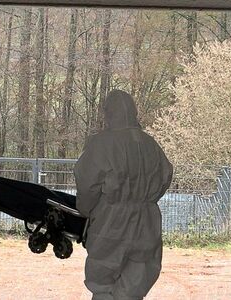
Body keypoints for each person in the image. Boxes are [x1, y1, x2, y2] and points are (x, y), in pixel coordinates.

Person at [74, 90, 173, 300]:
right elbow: (165, 176)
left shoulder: (101, 143)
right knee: (136, 282)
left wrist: (87, 211)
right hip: (147, 222)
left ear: (109, 113)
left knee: (103, 283)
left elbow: (87, 185)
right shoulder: (150, 144)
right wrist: (145, 200)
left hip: (111, 221)